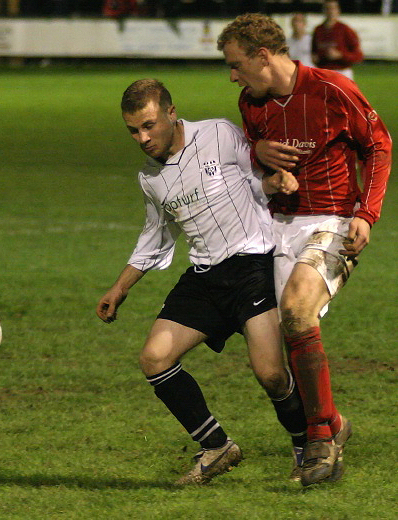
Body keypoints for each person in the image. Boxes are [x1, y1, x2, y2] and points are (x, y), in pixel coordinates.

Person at [96, 79, 308, 485]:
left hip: (252, 266)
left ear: (172, 113)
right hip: (205, 276)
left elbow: (253, 181)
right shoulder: (150, 178)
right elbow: (157, 235)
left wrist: (276, 182)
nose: (142, 138)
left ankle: (308, 444)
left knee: (271, 374)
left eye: (148, 125)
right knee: (155, 358)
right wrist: (120, 287)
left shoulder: (218, 133)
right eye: (133, 130)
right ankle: (216, 446)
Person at [217, 13, 392, 487]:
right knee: (273, 367)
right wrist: (264, 163)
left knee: (297, 309)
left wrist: (366, 212)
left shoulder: (331, 90)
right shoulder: (251, 104)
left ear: (262, 56)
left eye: (236, 64)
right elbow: (257, 164)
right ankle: (332, 423)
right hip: (277, 228)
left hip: (333, 222)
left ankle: (319, 442)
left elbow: (378, 143)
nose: (232, 75)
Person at [312, 0, 363, 80]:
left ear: (338, 10)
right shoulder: (318, 30)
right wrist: (316, 58)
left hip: (342, 72)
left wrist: (341, 55)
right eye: (327, 8)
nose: (330, 11)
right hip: (324, 73)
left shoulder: (345, 30)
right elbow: (314, 53)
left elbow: (358, 56)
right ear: (323, 11)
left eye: (333, 8)